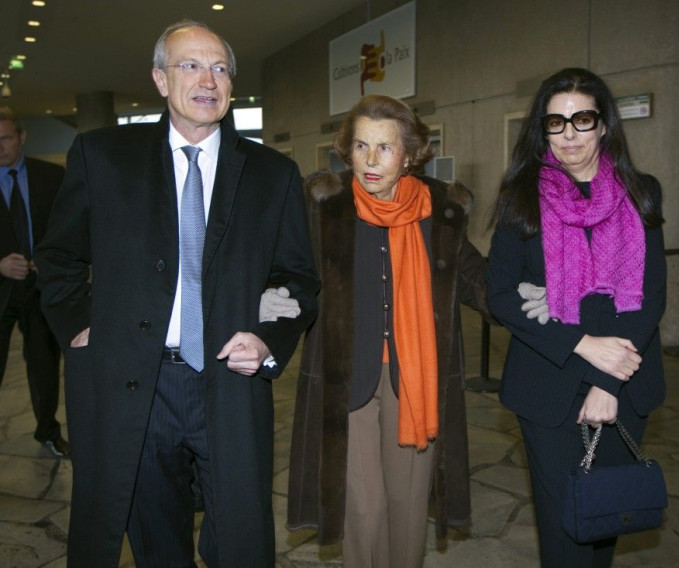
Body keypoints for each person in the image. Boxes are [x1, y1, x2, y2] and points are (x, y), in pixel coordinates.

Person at [34, 19, 319, 567]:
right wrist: (77, 324)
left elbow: (296, 278)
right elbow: (59, 257)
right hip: (136, 384)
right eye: (190, 65)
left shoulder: (272, 173)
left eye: (219, 68)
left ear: (232, 87)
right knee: (155, 539)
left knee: (240, 541)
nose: (207, 79)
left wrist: (265, 338)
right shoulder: (102, 157)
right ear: (161, 80)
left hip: (229, 385)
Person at [286, 94, 489, 568]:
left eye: (384, 148)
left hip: (414, 382)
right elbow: (291, 268)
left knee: (407, 506)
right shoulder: (324, 207)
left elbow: (478, 279)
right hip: (347, 381)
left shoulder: (441, 211)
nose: (370, 161)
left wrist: (532, 300)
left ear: (411, 153)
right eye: (360, 147)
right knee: (363, 508)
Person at [486, 68, 667, 568]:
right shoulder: (521, 198)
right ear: (541, 130)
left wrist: (608, 382)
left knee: (607, 517)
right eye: (555, 123)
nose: (569, 135)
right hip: (550, 386)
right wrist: (580, 344)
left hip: (624, 383)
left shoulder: (641, 192)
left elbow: (651, 297)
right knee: (564, 525)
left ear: (604, 124)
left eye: (581, 119)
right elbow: (500, 294)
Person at [0, 107, 68, 458]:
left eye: (5, 138)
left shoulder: (51, 177)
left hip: (40, 289)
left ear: (22, 138)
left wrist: (47, 262)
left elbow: (67, 230)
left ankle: (47, 431)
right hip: (1, 290)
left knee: (43, 365)